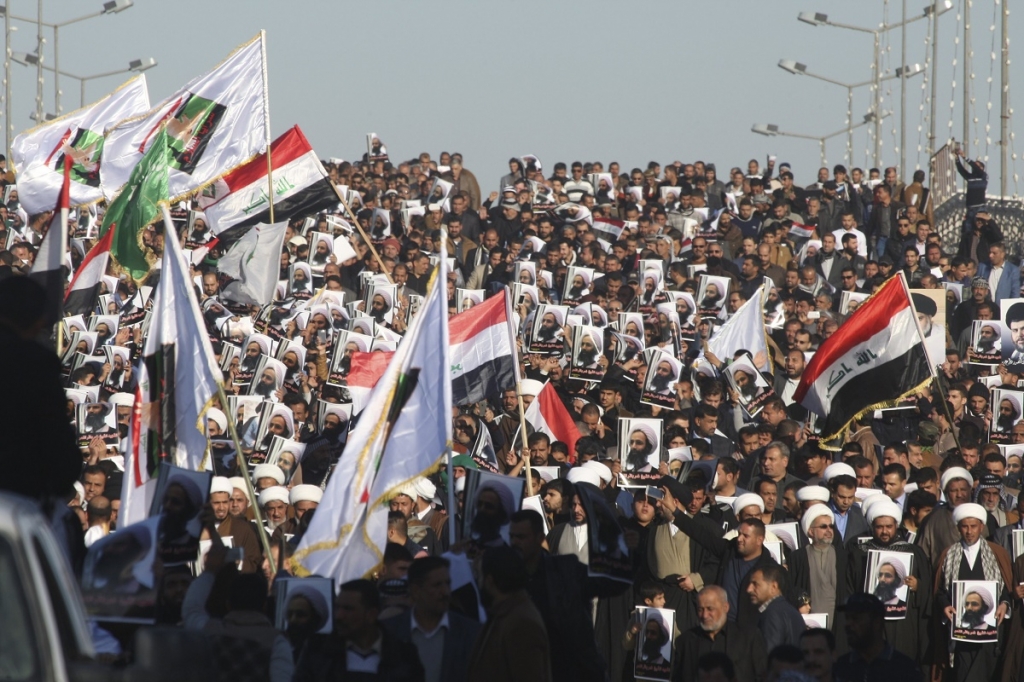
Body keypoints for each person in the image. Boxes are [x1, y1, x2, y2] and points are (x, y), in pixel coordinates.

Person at [380, 556, 480, 682]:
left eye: (447, 583)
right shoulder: (388, 632)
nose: (445, 592)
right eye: (437, 585)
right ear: (416, 591)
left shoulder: (471, 633)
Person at [466, 546, 552, 682]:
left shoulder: (522, 625)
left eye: (479, 576)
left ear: (490, 581)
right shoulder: (503, 614)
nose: (479, 583)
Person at [678, 585, 767, 682]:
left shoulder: (749, 637)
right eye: (700, 610)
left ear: (725, 607)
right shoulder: (686, 641)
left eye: (710, 609)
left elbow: (762, 675)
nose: (704, 615)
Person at [832, 594, 921, 682]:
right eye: (847, 618)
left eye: (856, 618)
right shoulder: (840, 669)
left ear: (877, 622)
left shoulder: (904, 669)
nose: (848, 624)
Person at [746, 563, 806, 652]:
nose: (749, 589)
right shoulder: (790, 610)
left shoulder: (772, 614)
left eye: (755, 584)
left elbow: (770, 655)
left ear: (773, 587)